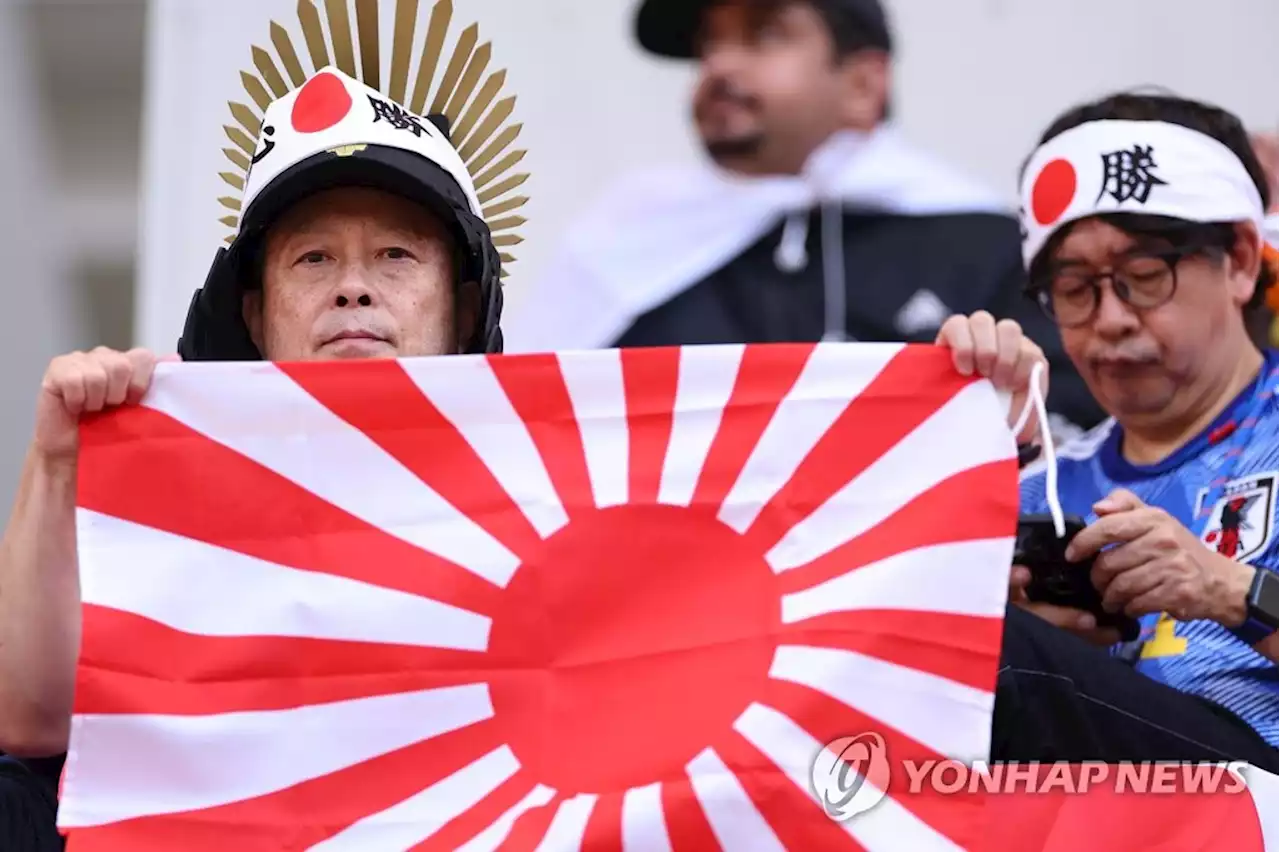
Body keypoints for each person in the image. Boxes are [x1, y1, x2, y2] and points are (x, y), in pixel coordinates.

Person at [0, 66, 503, 762]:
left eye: (395, 255)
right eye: (314, 258)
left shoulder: (570, 497)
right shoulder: (163, 515)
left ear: (464, 313)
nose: (353, 288)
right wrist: (56, 467)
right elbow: (34, 728)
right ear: (255, 315)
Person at [503, 0, 1103, 439]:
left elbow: (1079, 426)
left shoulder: (983, 245)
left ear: (864, 84)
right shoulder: (625, 248)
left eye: (764, 36)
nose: (721, 66)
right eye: (711, 45)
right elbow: (528, 429)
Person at [985, 90, 1280, 769]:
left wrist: (1232, 593)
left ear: (1238, 259)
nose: (1110, 319)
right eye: (1075, 287)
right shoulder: (1040, 489)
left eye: (1145, 275)